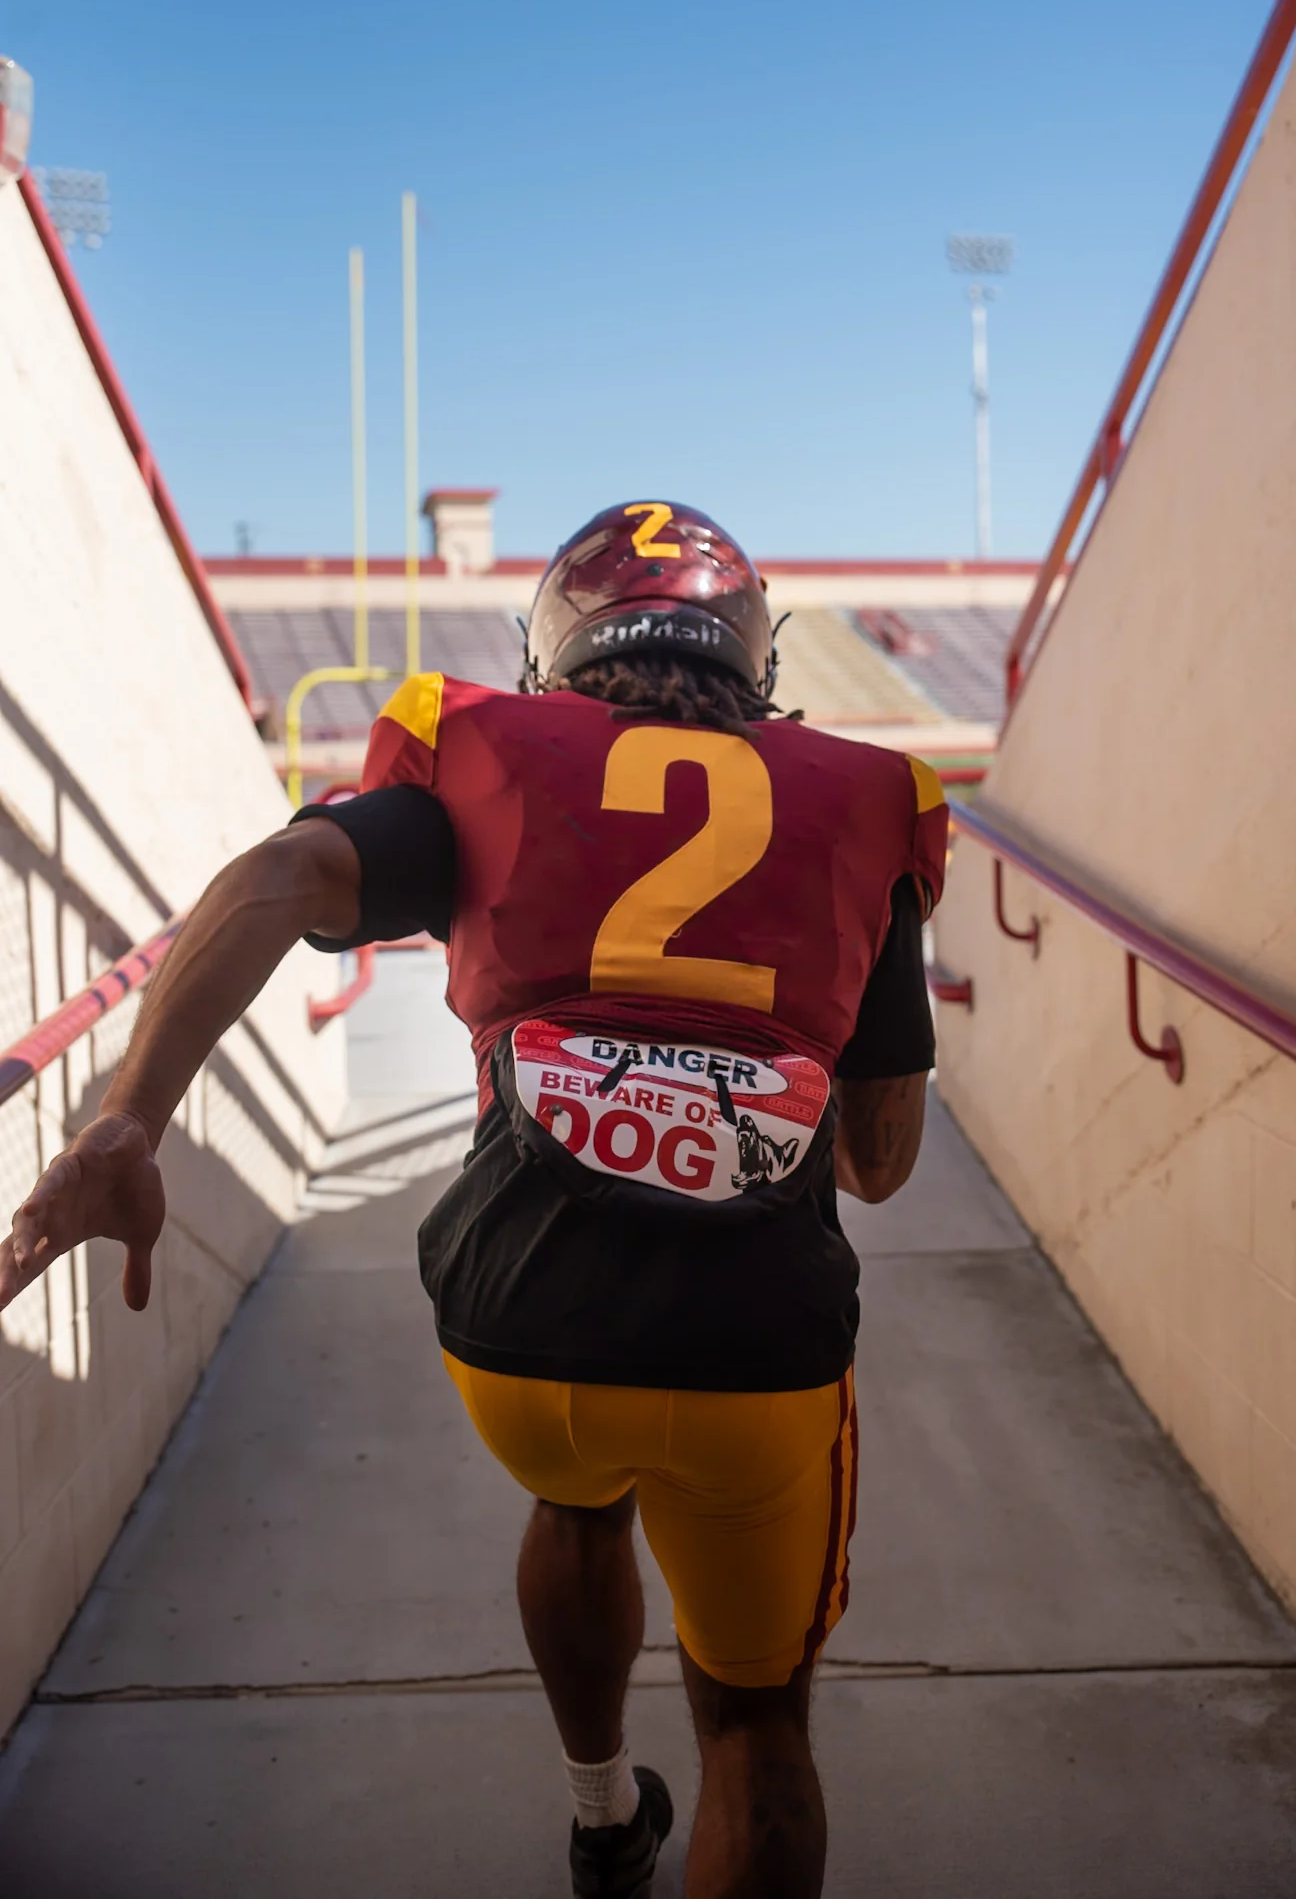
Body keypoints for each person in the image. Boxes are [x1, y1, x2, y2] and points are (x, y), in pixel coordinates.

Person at [0, 501, 946, 1899]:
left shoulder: (482, 758)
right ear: (752, 656)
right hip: (758, 1341)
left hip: (520, 1323)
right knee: (754, 1726)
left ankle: (600, 1808)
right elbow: (877, 1162)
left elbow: (280, 875)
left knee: (576, 1508)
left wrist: (127, 1116)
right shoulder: (859, 802)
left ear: (554, 648)